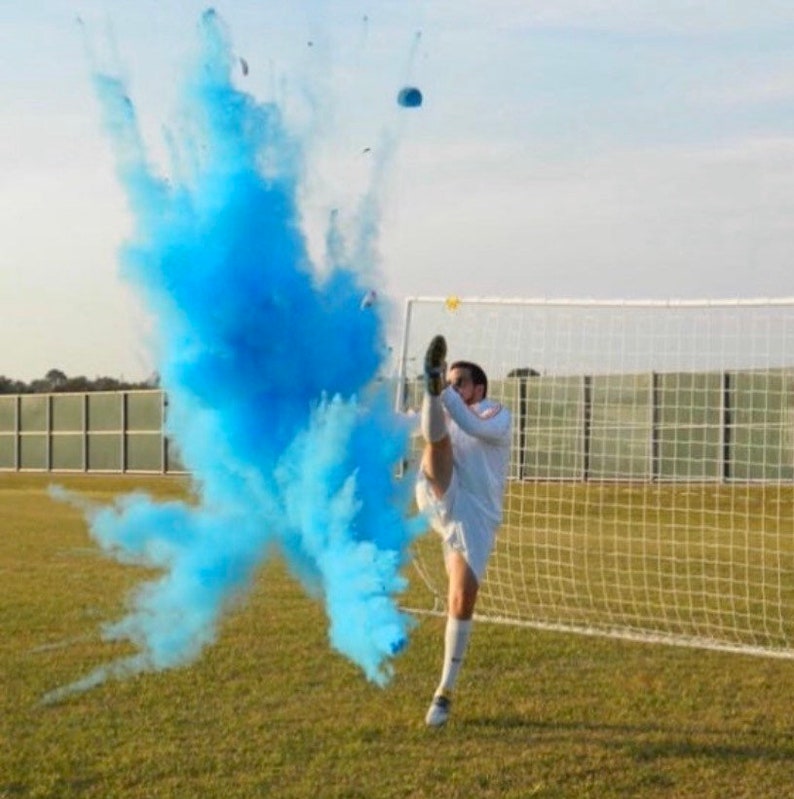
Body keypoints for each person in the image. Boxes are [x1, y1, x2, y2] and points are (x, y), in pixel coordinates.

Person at [415, 334, 512, 727]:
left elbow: (471, 425)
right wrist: (431, 393)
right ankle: (428, 376)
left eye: (459, 383)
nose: (455, 389)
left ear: (479, 388)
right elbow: (416, 427)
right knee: (437, 445)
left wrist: (443, 396)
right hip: (442, 492)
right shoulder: (444, 408)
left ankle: (444, 691)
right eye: (448, 382)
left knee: (462, 599)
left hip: (475, 515)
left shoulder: (496, 413)